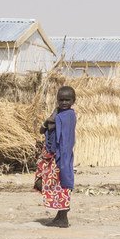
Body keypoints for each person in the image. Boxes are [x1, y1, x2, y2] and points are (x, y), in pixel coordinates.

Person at [35, 85, 77, 227]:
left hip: (62, 154)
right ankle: (60, 216)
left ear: (73, 101)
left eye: (67, 100)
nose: (64, 102)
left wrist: (51, 121)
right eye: (61, 100)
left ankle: (63, 217)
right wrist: (48, 121)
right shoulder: (57, 113)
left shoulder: (69, 115)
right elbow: (43, 129)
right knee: (53, 183)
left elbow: (65, 138)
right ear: (57, 100)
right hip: (52, 154)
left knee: (62, 184)